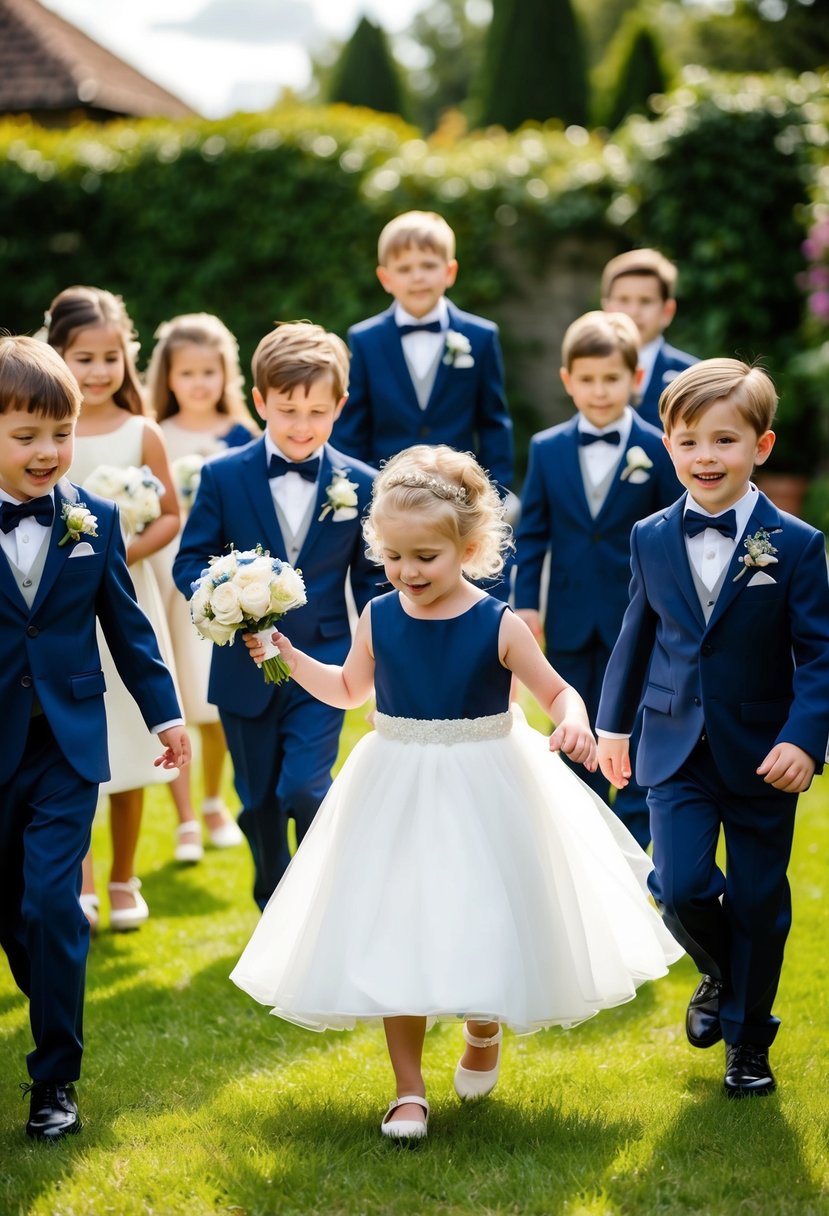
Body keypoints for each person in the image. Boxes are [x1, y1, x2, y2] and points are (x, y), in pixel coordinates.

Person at [232, 444, 682, 1142]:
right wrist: (290, 657)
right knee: (394, 924)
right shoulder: (378, 616)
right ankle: (407, 1090)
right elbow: (350, 690)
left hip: (485, 777)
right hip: (395, 779)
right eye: (394, 556)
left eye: (426, 558)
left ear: (468, 548)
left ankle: (481, 1024)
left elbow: (559, 691)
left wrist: (571, 723)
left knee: (483, 912)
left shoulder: (496, 624)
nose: (408, 572)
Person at [596, 359, 829, 1098]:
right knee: (680, 883)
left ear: (759, 446)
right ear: (666, 443)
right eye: (688, 440)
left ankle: (747, 1045)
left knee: (759, 900)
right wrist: (610, 728)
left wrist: (802, 737)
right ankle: (721, 972)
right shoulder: (650, 537)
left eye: (723, 441)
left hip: (764, 751)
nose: (705, 457)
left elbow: (819, 654)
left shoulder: (794, 545)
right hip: (671, 742)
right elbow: (636, 635)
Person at [0, 336, 189, 1140]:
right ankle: (48, 1006)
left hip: (67, 748)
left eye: (60, 434)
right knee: (17, 916)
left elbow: (131, 630)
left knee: (54, 904)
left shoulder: (95, 520)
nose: (48, 453)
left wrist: (166, 713)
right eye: (25, 436)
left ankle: (55, 1081)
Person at [173, 321, 379, 909]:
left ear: (340, 406)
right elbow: (189, 559)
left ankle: (316, 906)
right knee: (260, 799)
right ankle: (272, 883)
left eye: (318, 411)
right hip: (243, 669)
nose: (302, 425)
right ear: (261, 401)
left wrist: (379, 651)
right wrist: (225, 595)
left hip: (323, 664)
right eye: (287, 409)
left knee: (306, 789)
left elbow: (369, 581)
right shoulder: (223, 474)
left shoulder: (358, 483)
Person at [514, 312, 680, 847]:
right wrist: (527, 607)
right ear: (567, 381)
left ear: (635, 379)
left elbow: (669, 537)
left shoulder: (658, 447)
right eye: (587, 379)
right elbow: (533, 534)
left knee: (632, 735)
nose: (599, 390)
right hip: (568, 621)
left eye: (611, 378)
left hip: (638, 620)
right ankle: (577, 848)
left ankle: (632, 854)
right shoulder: (548, 448)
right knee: (573, 736)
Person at [46, 285, 182, 933]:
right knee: (75, 742)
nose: (98, 372)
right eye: (83, 358)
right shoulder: (45, 436)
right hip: (64, 612)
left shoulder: (141, 433)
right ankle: (83, 878)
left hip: (127, 597)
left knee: (131, 736)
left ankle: (125, 874)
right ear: (57, 355)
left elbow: (172, 516)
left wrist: (119, 550)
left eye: (110, 358)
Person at [331, 209, 514, 598]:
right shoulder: (365, 339)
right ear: (385, 278)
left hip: (457, 502)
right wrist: (365, 498)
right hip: (390, 502)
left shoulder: (479, 337)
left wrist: (490, 497)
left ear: (449, 271)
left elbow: (494, 421)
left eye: (428, 265)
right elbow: (354, 427)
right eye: (405, 267)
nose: (417, 276)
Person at [146, 312, 259, 863]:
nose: (197, 383)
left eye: (208, 372)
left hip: (221, 586)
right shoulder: (154, 436)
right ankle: (185, 816)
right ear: (168, 376)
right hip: (166, 577)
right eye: (186, 372)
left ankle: (214, 799)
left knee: (211, 700)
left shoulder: (243, 438)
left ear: (225, 375)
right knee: (172, 699)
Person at [601, 248, 698, 429]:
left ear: (667, 311)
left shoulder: (694, 376)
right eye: (623, 300)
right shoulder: (589, 370)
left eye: (645, 301)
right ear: (607, 308)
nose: (633, 312)